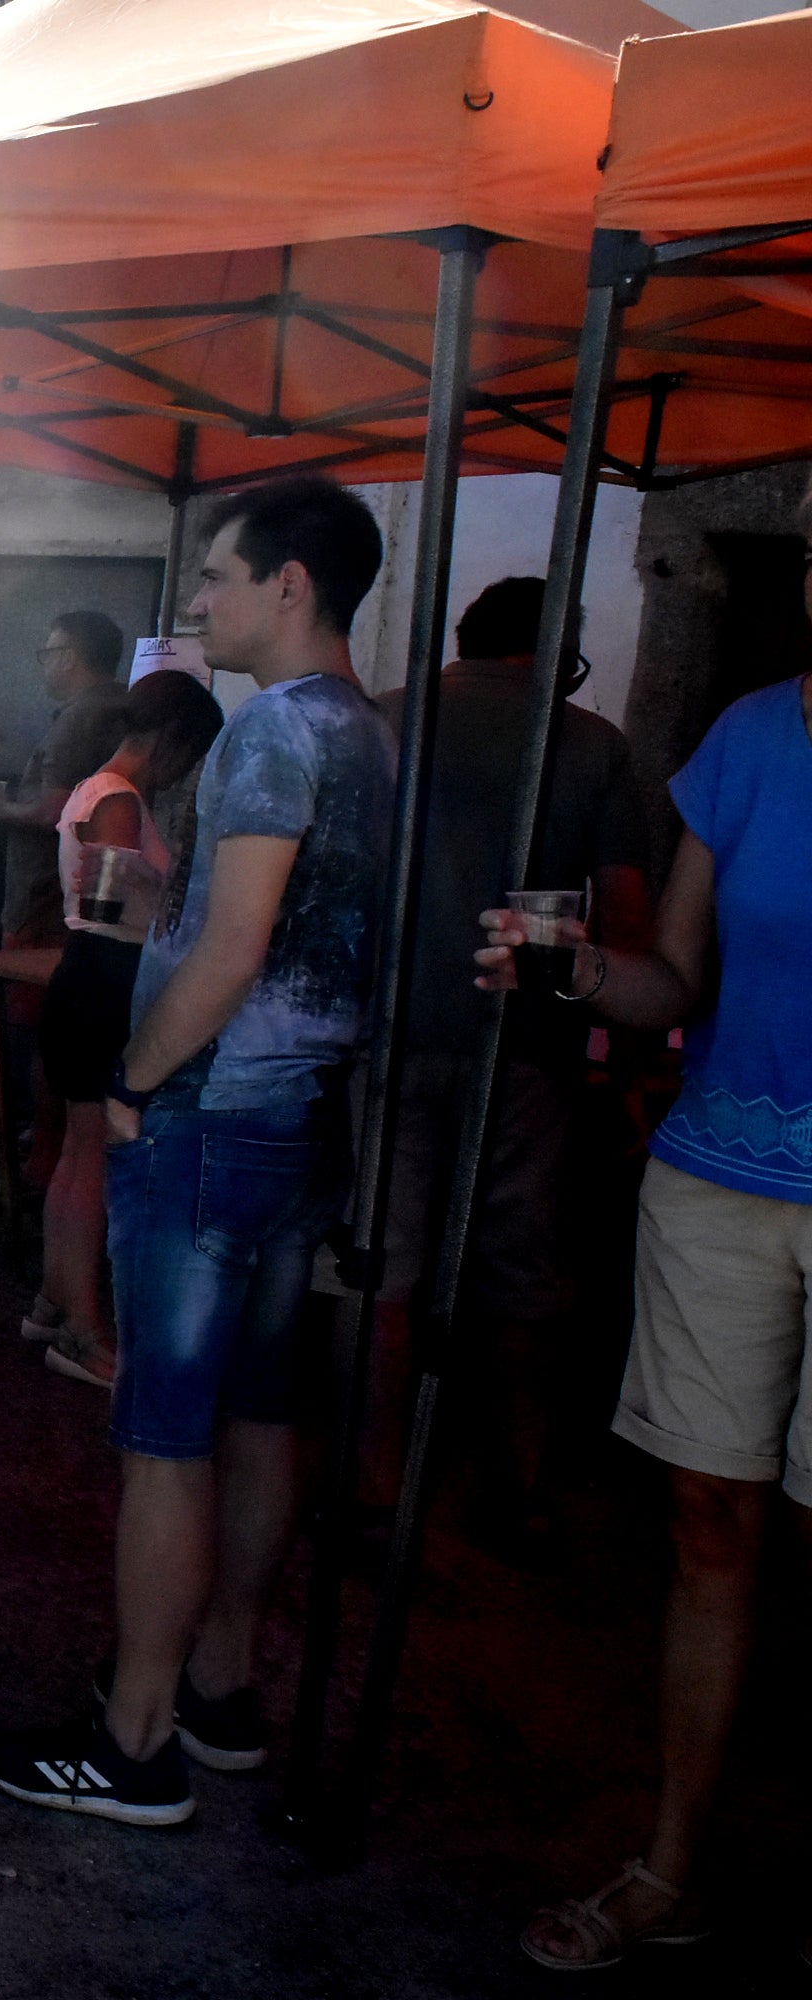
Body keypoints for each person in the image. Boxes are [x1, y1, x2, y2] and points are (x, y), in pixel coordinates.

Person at [0, 475, 395, 1827]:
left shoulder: (271, 731)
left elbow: (242, 945)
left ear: (292, 585)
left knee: (164, 1435)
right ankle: (217, 1687)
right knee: (263, 1416)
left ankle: (134, 1739)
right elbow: (273, 923)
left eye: (217, 577)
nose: (198, 602)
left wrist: (139, 1079)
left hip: (215, 1118)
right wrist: (168, 897)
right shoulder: (364, 729)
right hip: (303, 1118)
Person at [504, 483, 812, 1974]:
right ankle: (674, 1864)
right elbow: (671, 980)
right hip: (722, 1181)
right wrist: (575, 969)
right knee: (708, 1522)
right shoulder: (752, 736)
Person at [364, 576, 652, 1546]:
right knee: (521, 1272)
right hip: (529, 1042)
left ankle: (368, 1487)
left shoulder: (384, 716)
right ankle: (515, 1489)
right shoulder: (592, 744)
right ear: (559, 650)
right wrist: (627, 1062)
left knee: (381, 1264)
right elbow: (622, 917)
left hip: (389, 1026)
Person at [29, 671, 224, 1392]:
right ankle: (81, 1328)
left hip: (89, 975)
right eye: (189, 754)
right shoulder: (116, 797)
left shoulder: (97, 789)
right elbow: (106, 902)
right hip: (106, 976)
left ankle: (55, 1304)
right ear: (171, 739)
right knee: (90, 1154)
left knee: (78, 1151)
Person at [0, 609, 132, 1200]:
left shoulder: (80, 719)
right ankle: (60, 1152)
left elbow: (51, 810)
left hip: (47, 898)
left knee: (49, 1032)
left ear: (70, 656)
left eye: (47, 653)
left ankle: (48, 1161)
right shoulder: (118, 710)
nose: (44, 664)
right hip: (80, 899)